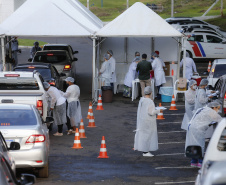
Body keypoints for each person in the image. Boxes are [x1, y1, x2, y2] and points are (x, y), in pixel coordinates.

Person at [185, 101, 222, 167]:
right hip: (198, 129)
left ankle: (194, 161)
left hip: (190, 127)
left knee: (193, 144)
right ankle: (200, 162)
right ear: (213, 107)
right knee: (200, 145)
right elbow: (221, 121)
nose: (218, 110)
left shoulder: (203, 108)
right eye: (218, 108)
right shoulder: (211, 111)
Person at [134, 86, 161, 157]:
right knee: (148, 136)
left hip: (142, 120)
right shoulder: (150, 101)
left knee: (143, 136)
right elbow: (151, 112)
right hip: (148, 121)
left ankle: (144, 150)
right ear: (151, 92)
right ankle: (145, 151)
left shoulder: (142, 100)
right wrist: (158, 110)